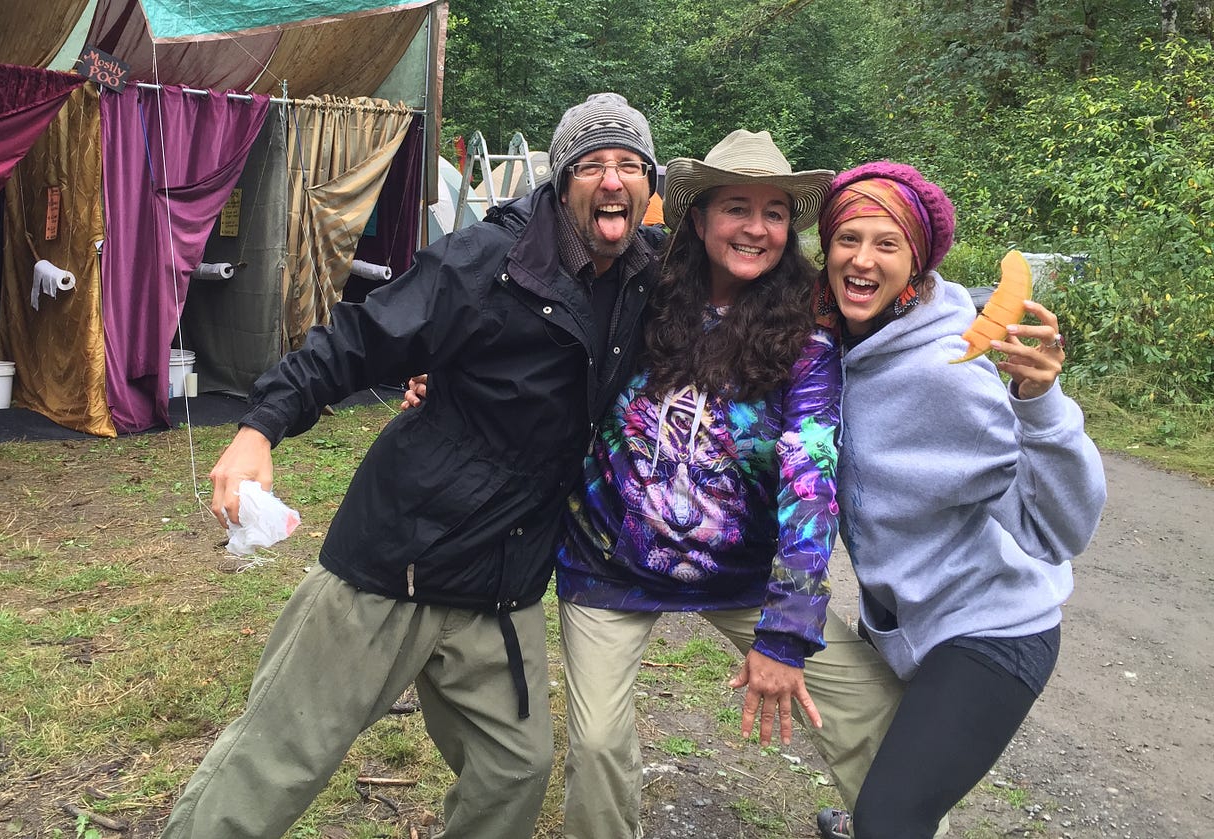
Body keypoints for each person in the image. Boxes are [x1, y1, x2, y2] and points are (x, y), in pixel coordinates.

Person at [157, 92, 664, 839]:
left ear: (651, 185)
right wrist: (260, 426)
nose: (613, 179)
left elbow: (739, 292)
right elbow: (359, 338)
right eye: (593, 164)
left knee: (514, 769)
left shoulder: (646, 280)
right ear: (561, 181)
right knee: (280, 757)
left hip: (503, 579)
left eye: (631, 164)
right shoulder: (489, 261)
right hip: (399, 559)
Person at [551, 130, 905, 839]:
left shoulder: (810, 329)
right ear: (701, 217)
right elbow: (539, 337)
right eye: (736, 207)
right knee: (595, 746)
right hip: (608, 563)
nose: (755, 227)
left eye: (775, 212)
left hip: (742, 571)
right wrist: (439, 374)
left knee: (875, 712)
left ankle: (906, 825)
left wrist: (787, 627)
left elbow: (811, 475)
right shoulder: (638, 292)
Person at [812, 162, 1107, 839]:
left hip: (993, 629)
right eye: (847, 238)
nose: (861, 258)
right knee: (893, 786)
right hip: (909, 617)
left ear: (916, 261)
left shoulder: (949, 367)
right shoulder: (831, 342)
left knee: (889, 816)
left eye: (886, 243)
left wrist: (1041, 406)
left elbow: (1058, 526)